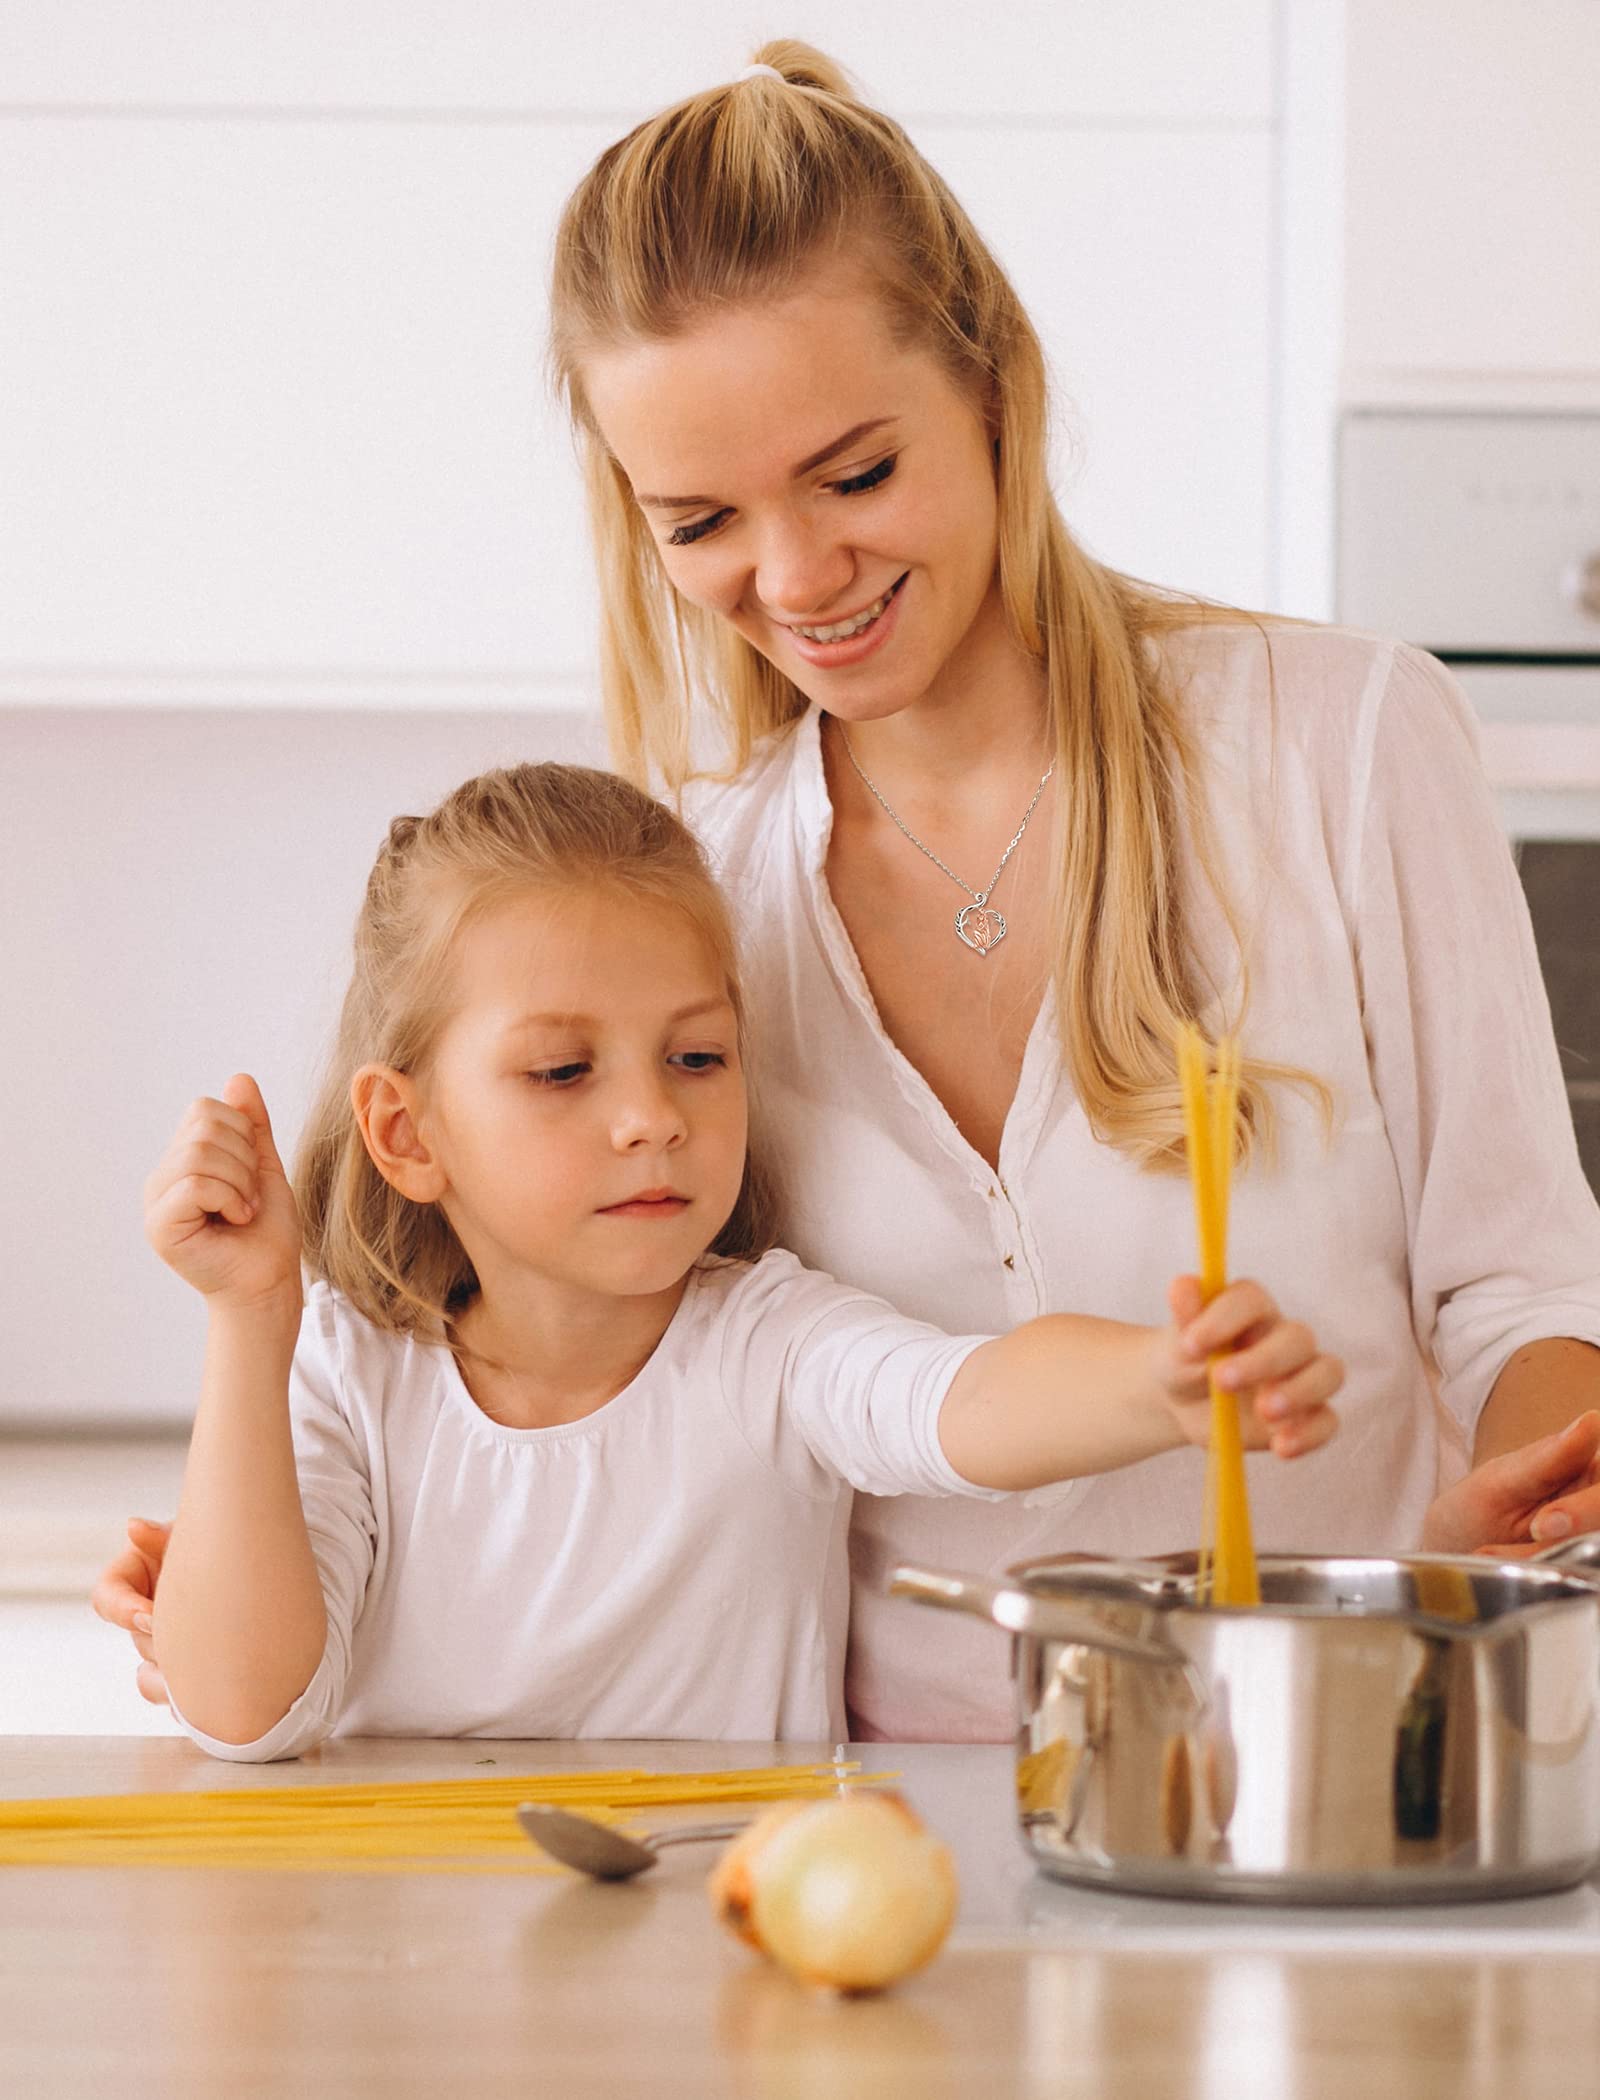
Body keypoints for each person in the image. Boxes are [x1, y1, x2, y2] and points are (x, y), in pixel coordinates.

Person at [97, 41, 1600, 1741]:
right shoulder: (695, 898)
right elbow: (599, 1369)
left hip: (1344, 1753)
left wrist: (1531, 1523)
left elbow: (1523, 1291)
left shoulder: (1339, 742)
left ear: (993, 386)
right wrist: (264, 1563)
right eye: (701, 523)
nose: (799, 577)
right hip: (885, 1821)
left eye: (858, 475)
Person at [134, 761, 1337, 1759]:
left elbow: (962, 1399)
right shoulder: (345, 1370)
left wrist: (1157, 1383)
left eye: (697, 1058)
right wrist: (250, 1316)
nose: (651, 1117)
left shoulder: (765, 1343)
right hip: (409, 1948)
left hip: (722, 1933)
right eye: (562, 1071)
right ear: (406, 1134)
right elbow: (243, 1711)